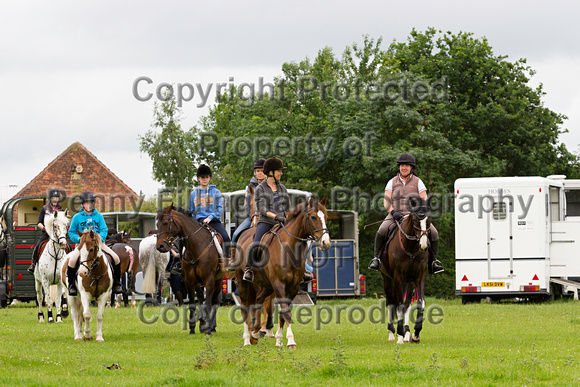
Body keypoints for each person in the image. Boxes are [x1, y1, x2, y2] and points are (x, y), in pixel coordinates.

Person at [368, 153, 444, 274]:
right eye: (402, 165)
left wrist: (417, 213)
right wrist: (393, 212)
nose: (404, 168)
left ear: (411, 168)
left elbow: (423, 200)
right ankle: (376, 259)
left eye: (407, 166)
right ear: (399, 167)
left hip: (414, 216)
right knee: (381, 230)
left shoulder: (418, 182)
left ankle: (434, 262)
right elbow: (386, 201)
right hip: (395, 214)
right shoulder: (392, 182)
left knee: (434, 233)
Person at [65, 191, 123, 296]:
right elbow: (71, 231)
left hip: (98, 245)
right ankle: (72, 285)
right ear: (82, 204)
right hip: (82, 246)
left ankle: (117, 284)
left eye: (91, 203)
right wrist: (79, 240)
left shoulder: (99, 216)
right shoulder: (77, 217)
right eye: (87, 203)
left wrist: (100, 239)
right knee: (72, 260)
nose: (89, 205)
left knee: (116, 258)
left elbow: (104, 230)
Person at [243, 157, 290, 282]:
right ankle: (249, 269)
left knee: (296, 241)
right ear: (271, 172)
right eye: (279, 171)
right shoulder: (260, 189)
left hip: (282, 222)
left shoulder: (283, 188)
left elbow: (287, 207)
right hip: (266, 222)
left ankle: (302, 269)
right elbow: (262, 209)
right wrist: (275, 216)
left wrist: (287, 218)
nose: (281, 173)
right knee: (256, 243)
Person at [187, 164, 231, 264]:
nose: (205, 179)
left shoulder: (216, 192)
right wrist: (192, 222)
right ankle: (181, 264)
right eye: (202, 177)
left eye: (207, 177)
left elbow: (218, 209)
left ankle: (228, 262)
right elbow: (191, 211)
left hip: (213, 222)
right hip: (198, 223)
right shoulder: (193, 194)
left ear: (210, 178)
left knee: (226, 237)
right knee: (183, 238)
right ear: (198, 178)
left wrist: (209, 218)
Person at [28, 189, 64, 274]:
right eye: (53, 198)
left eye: (57, 198)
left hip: (58, 235)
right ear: (50, 199)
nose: (55, 199)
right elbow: (39, 223)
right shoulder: (44, 209)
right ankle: (33, 264)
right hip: (47, 234)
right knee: (38, 245)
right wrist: (45, 228)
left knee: (68, 246)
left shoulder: (61, 210)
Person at [231, 158, 266, 243]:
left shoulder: (270, 186)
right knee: (235, 234)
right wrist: (252, 216)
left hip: (266, 218)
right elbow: (246, 205)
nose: (260, 173)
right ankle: (233, 255)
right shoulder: (249, 187)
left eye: (262, 171)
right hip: (252, 217)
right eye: (258, 171)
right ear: (255, 173)